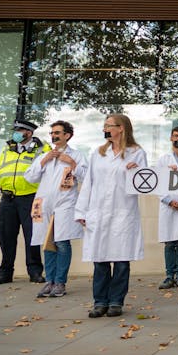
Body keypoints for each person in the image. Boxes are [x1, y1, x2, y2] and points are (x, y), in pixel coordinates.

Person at [75, 114, 147, 318]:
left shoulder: (136, 153)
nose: (105, 129)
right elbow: (89, 183)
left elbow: (143, 184)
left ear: (121, 128)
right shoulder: (98, 153)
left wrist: (137, 171)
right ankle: (100, 301)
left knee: (122, 260)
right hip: (99, 212)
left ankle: (116, 301)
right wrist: (81, 211)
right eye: (104, 126)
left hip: (122, 213)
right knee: (100, 259)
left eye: (109, 126)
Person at [25, 120, 87, 298]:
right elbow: (30, 177)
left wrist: (72, 163)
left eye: (57, 133)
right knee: (47, 244)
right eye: (52, 133)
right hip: (44, 204)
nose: (53, 136)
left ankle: (60, 282)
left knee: (61, 242)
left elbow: (86, 176)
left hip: (65, 203)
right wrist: (44, 160)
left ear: (67, 135)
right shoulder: (45, 155)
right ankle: (49, 281)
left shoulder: (76, 154)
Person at [0, 119, 50, 285]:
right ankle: (5, 273)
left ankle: (35, 272)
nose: (15, 133)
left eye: (19, 130)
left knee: (32, 236)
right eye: (15, 130)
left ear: (29, 133)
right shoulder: (7, 148)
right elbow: (1, 169)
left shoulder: (42, 149)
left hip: (30, 197)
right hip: (7, 198)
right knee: (5, 235)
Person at [157, 126, 178, 290]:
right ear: (170, 138)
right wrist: (169, 201)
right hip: (168, 206)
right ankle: (169, 275)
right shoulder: (163, 160)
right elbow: (158, 184)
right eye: (175, 136)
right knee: (170, 243)